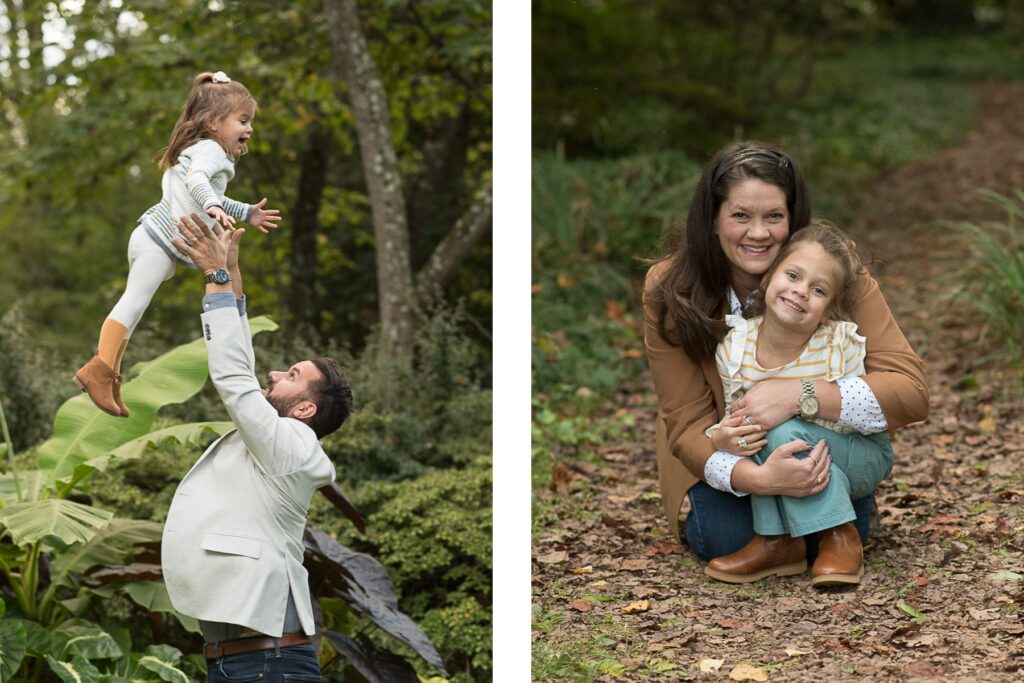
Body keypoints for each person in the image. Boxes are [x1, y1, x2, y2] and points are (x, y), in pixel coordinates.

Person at [642, 141, 928, 571]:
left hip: (823, 442)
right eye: (740, 215)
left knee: (819, 527)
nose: (758, 234)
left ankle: (835, 522)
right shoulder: (670, 288)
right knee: (723, 538)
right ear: (713, 219)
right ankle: (813, 522)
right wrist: (756, 478)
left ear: (792, 219)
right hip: (730, 448)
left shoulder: (838, 275)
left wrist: (799, 395)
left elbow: (910, 391)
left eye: (773, 217)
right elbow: (685, 424)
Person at [160, 212, 352, 681]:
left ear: (306, 410)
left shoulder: (294, 445)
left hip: (269, 664)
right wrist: (232, 273)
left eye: (291, 376)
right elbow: (241, 365)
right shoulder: (276, 443)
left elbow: (234, 379)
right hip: (242, 661)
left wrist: (216, 278)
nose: (273, 373)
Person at [73, 70, 281, 418]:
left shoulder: (204, 150)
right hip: (158, 239)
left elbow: (209, 193)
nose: (250, 129)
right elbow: (200, 184)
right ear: (213, 122)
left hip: (155, 239)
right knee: (133, 302)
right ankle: (98, 371)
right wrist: (213, 205)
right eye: (243, 120)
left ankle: (109, 376)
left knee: (136, 310)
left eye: (251, 122)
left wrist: (245, 211)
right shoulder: (211, 151)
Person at [702, 222, 894, 586]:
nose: (800, 291)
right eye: (792, 275)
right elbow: (736, 417)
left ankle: (839, 534)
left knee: (782, 428)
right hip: (789, 462)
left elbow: (865, 419)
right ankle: (777, 543)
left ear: (829, 307)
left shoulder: (838, 344)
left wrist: (797, 404)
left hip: (858, 454)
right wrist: (722, 438)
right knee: (753, 428)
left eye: (818, 289)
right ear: (768, 276)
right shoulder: (735, 347)